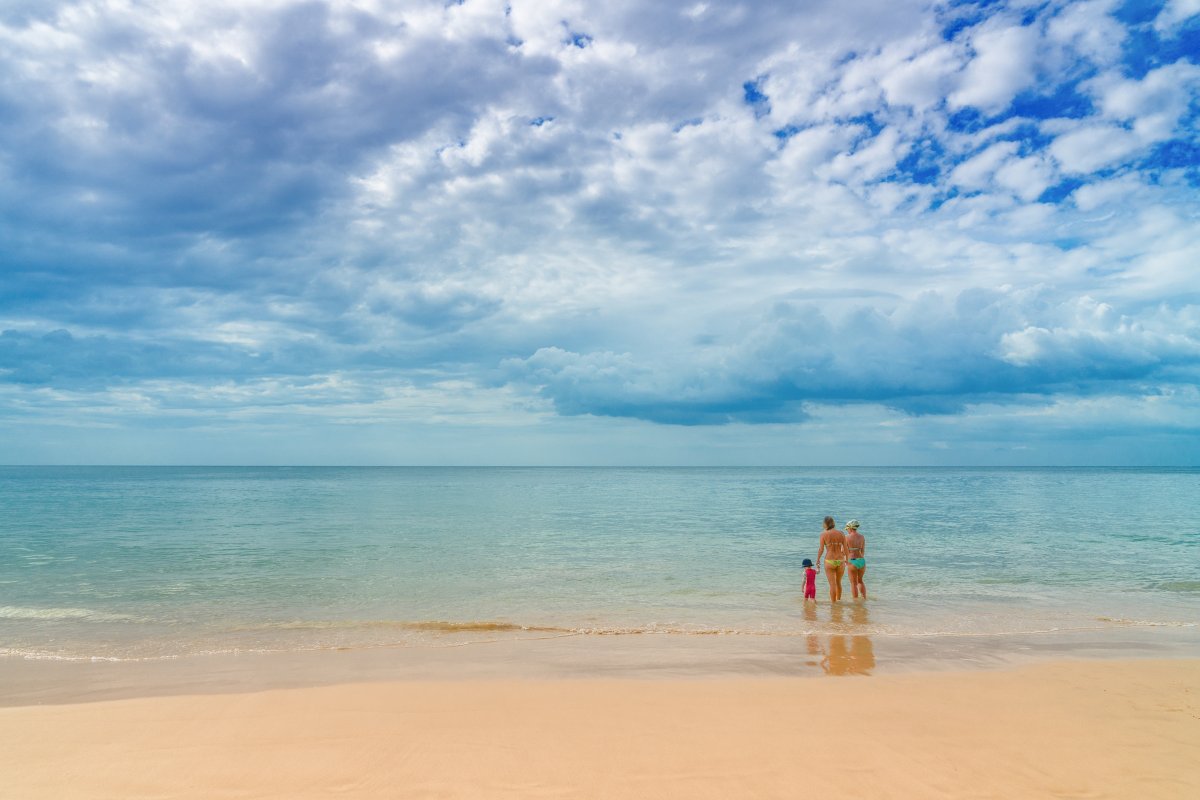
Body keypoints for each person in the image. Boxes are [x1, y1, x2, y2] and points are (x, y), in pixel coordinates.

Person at [816, 516, 847, 602]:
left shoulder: (823, 534)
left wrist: (818, 559)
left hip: (829, 560)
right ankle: (839, 601)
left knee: (832, 584)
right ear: (833, 523)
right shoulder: (841, 533)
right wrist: (847, 559)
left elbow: (821, 549)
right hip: (840, 560)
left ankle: (834, 605)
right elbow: (846, 548)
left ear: (825, 524)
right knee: (838, 583)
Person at [845, 519, 867, 599]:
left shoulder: (846, 537)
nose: (847, 530)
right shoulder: (862, 537)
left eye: (847, 529)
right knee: (860, 581)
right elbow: (863, 550)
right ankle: (864, 598)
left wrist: (845, 560)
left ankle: (856, 602)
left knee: (853, 583)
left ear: (850, 528)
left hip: (852, 560)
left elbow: (843, 551)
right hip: (861, 561)